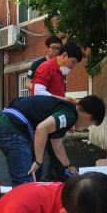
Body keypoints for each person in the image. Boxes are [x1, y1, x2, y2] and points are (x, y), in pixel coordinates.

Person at [0, 95, 105, 187]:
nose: (87, 127)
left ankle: (33, 208)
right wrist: (38, 160)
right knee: (25, 181)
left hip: (13, 128)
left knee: (36, 174)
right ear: (87, 117)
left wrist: (68, 166)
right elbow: (41, 128)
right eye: (91, 124)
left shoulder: (68, 113)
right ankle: (20, 212)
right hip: (11, 128)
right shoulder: (69, 115)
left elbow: (57, 146)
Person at [32, 42, 84, 182]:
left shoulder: (60, 73)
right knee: (39, 160)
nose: (73, 67)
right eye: (72, 62)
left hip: (52, 120)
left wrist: (68, 123)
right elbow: (38, 92)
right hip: (40, 120)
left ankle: (66, 186)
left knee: (56, 155)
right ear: (65, 55)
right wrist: (63, 99)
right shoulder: (46, 67)